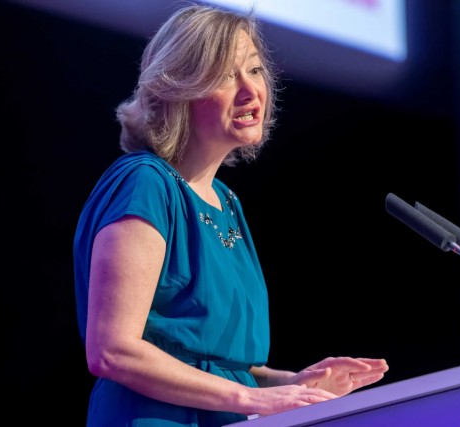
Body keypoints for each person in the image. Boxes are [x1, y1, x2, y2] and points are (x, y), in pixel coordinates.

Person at [73, 3, 389, 426]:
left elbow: (217, 361)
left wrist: (294, 384)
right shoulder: (146, 183)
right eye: (225, 75)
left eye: (254, 70)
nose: (250, 90)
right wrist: (251, 399)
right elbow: (112, 350)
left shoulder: (227, 201)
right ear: (177, 88)